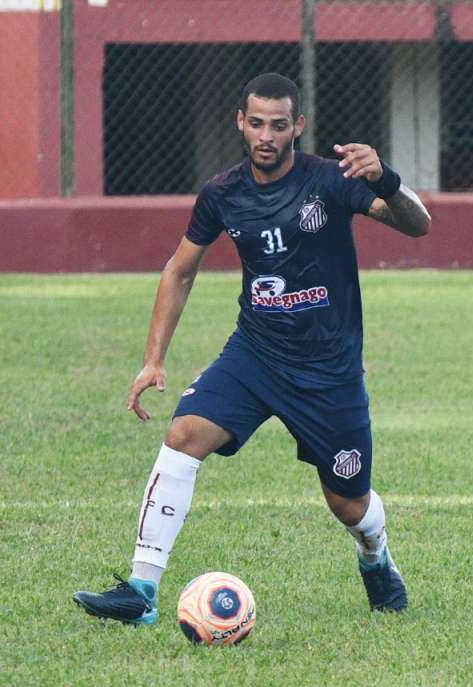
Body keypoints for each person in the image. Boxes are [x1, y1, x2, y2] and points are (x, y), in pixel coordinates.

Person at [73, 73, 430, 624]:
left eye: (279, 125)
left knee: (349, 505)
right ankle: (141, 592)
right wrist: (153, 359)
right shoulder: (223, 192)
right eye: (257, 122)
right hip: (256, 354)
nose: (266, 135)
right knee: (183, 434)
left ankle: (375, 553)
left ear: (298, 127)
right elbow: (180, 269)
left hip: (328, 370)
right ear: (241, 122)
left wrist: (387, 179)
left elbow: (418, 224)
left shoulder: (332, 180)